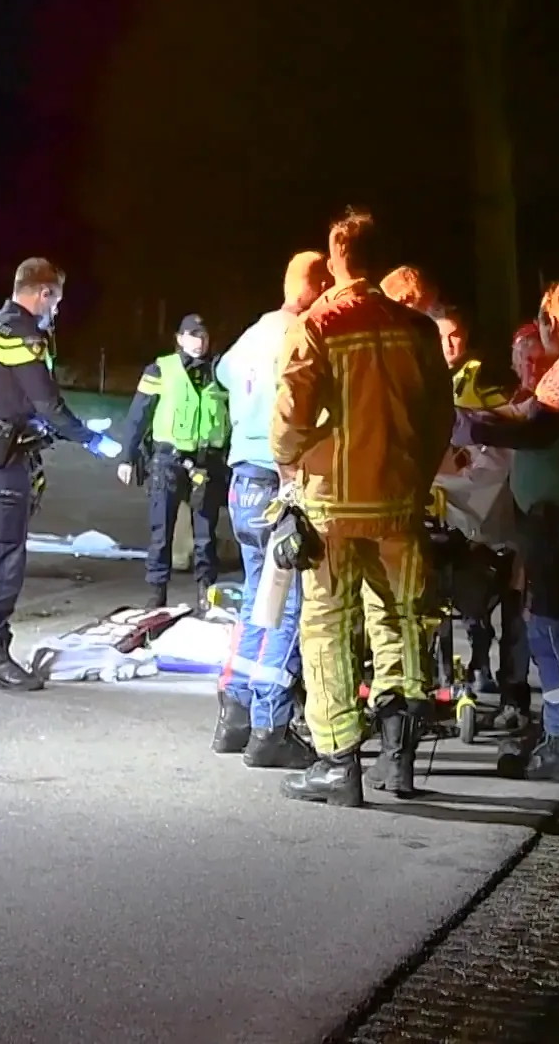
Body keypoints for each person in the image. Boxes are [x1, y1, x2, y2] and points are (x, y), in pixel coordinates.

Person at [272, 208, 453, 806]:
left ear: (337, 257)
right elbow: (439, 420)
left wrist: (293, 463)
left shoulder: (319, 325)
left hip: (334, 508)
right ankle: (398, 759)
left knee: (326, 623)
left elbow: (290, 419)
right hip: (399, 505)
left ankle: (338, 761)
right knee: (400, 619)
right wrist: (415, 476)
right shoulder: (420, 330)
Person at [456, 280, 559, 784]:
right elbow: (528, 412)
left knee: (550, 625)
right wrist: (474, 416)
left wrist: (475, 431)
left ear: (553, 320)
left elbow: (539, 429)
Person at [0, 258, 120, 691]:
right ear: (43, 293)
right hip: (2, 457)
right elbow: (46, 402)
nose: (57, 311)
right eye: (57, 300)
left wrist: (60, 428)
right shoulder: (25, 333)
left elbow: (8, 398)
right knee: (4, 554)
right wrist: (89, 439)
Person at [209, 252, 331, 768]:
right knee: (287, 604)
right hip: (283, 481)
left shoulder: (254, 333)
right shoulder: (303, 334)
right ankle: (270, 726)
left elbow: (222, 373)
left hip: (242, 483)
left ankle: (234, 715)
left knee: (258, 597)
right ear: (320, 284)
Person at [430, 307, 529, 726]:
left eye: (456, 336)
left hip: (480, 509)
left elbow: (496, 444)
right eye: (442, 337)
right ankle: (439, 681)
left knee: (497, 595)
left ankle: (504, 689)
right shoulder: (420, 376)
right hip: (440, 509)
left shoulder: (480, 381)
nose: (450, 345)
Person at [113, 314, 230, 611]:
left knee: (205, 536)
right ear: (178, 338)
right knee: (161, 532)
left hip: (207, 464)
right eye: (192, 335)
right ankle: (157, 595)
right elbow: (139, 414)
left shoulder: (221, 372)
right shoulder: (160, 369)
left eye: (203, 336)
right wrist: (128, 456)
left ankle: (206, 595)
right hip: (168, 461)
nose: (198, 342)